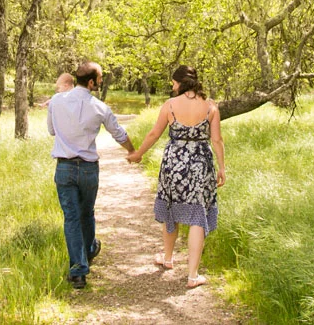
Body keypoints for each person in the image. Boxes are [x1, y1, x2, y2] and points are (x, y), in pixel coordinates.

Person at [127, 65, 225, 289]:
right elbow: (217, 140)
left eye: (173, 82)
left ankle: (169, 258)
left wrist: (138, 154)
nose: (172, 86)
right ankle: (192, 276)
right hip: (201, 163)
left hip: (174, 163)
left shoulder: (170, 105)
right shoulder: (211, 107)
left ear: (181, 82)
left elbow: (154, 133)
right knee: (198, 215)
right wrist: (222, 167)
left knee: (171, 207)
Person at [47, 61, 135, 289]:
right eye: (100, 78)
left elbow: (52, 130)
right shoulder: (100, 107)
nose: (102, 81)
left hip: (64, 167)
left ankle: (78, 270)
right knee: (86, 213)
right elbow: (118, 133)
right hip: (87, 169)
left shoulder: (56, 101)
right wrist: (133, 151)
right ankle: (88, 251)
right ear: (91, 82)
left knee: (72, 217)